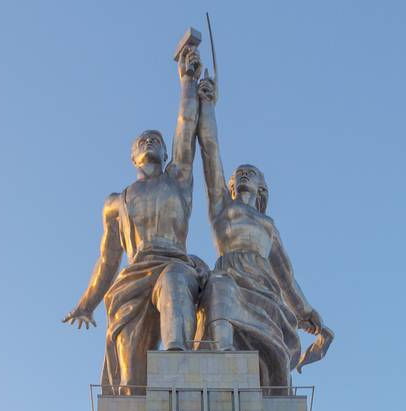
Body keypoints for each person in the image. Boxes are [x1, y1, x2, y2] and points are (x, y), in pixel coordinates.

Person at [63, 38, 209, 393]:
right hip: (133, 278)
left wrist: (187, 79)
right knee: (130, 384)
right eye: (142, 140)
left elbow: (186, 127)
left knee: (175, 280)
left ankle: (179, 371)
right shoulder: (116, 202)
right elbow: (107, 260)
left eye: (155, 140)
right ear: (132, 157)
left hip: (173, 264)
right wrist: (87, 304)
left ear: (164, 151)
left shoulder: (178, 180)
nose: (149, 142)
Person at [192, 70, 331, 392]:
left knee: (272, 351)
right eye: (238, 174)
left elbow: (286, 276)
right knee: (219, 287)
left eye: (250, 173)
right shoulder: (221, 209)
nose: (241, 175)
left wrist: (305, 310)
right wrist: (207, 106)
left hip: (264, 287)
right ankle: (222, 353)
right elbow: (210, 152)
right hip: (230, 273)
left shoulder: (269, 227)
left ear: (261, 187)